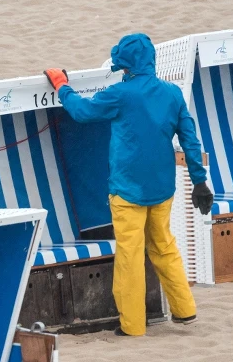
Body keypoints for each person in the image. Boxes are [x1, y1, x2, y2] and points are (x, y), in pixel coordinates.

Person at [44, 33, 214, 337]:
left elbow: (82, 112)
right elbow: (190, 139)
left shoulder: (120, 94)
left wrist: (61, 86)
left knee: (131, 256)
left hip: (127, 190)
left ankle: (133, 326)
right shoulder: (172, 93)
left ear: (124, 65)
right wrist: (200, 181)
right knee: (164, 246)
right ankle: (185, 310)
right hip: (162, 188)